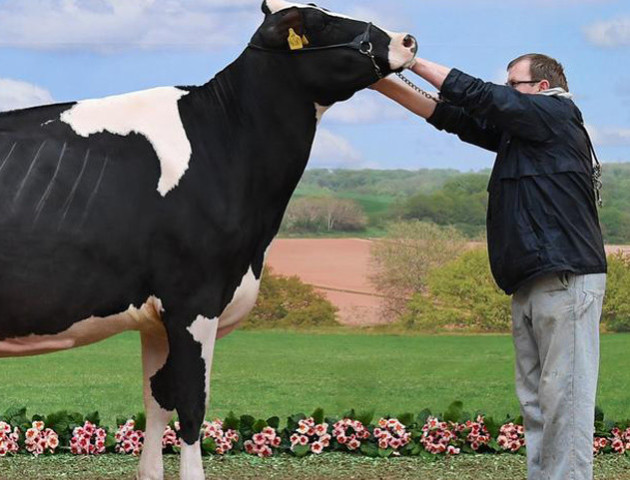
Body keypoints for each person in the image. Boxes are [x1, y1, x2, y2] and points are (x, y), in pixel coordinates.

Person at [372, 54, 607, 480]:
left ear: (541, 87)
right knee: (538, 403)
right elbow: (453, 116)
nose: (505, 90)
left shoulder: (555, 113)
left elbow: (481, 96)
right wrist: (380, 82)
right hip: (533, 280)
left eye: (514, 84)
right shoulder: (526, 134)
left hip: (566, 278)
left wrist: (406, 58)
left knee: (565, 400)